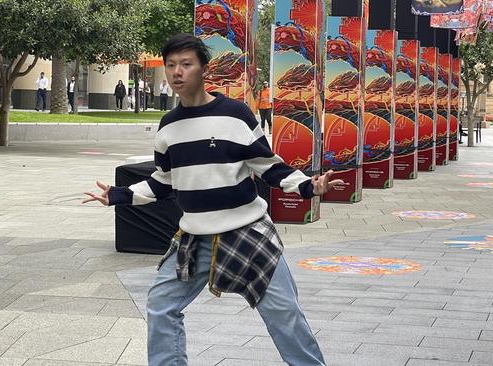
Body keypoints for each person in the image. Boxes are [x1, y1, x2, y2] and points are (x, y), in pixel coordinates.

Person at [83, 33, 339, 366]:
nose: (177, 72)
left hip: (247, 232)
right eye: (171, 65)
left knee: (284, 314)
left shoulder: (236, 115)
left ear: (204, 69)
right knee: (161, 305)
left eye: (186, 64)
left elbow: (267, 166)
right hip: (194, 237)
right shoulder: (168, 127)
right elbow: (163, 182)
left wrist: (308, 186)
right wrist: (118, 195)